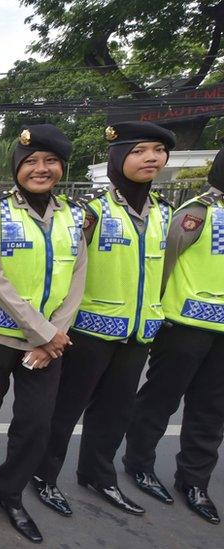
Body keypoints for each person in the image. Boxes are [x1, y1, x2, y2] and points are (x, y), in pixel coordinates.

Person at [33, 122, 175, 520]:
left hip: (138, 332)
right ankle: (43, 475)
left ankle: (99, 475)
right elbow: (68, 272)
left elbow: (166, 270)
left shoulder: (165, 212)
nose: (151, 158)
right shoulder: (91, 212)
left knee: (116, 411)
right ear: (117, 158)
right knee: (64, 411)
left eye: (157, 150)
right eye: (139, 150)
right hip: (89, 332)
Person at [0, 125, 87, 543]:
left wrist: (57, 335)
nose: (40, 168)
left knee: (35, 424)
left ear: (61, 168)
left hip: (49, 343)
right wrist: (43, 332)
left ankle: (10, 493)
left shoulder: (72, 214)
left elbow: (78, 277)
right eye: (31, 161)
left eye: (49, 161)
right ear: (17, 168)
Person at [122, 148, 224, 524]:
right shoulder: (198, 214)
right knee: (160, 399)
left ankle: (194, 481)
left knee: (212, 412)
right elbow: (161, 267)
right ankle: (139, 462)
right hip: (184, 324)